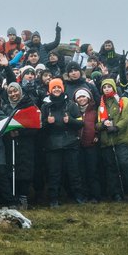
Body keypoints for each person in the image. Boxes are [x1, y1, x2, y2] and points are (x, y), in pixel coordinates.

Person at [41, 78, 83, 206]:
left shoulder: (71, 104)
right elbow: (40, 127)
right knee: (54, 174)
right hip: (53, 146)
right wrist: (47, 123)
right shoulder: (45, 106)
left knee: (74, 172)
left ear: (62, 89)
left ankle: (78, 196)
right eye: (54, 87)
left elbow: (81, 123)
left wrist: (70, 120)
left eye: (58, 87)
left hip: (70, 143)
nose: (57, 89)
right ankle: (54, 199)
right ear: (50, 90)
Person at [97, 78, 128, 203]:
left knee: (125, 165)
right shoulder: (100, 105)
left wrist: (116, 127)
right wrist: (103, 125)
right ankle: (116, 194)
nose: (107, 89)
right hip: (106, 141)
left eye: (109, 86)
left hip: (122, 139)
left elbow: (126, 117)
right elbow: (97, 125)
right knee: (111, 168)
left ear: (114, 87)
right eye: (104, 87)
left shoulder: (123, 100)